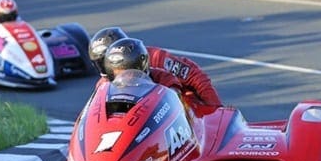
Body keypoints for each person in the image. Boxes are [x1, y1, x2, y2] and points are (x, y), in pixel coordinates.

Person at [88, 27, 222, 107]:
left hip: (178, 108)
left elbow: (195, 77)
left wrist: (216, 110)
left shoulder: (157, 58)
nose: (113, 66)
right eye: (101, 63)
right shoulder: (103, 83)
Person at [103, 38, 183, 92]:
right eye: (116, 71)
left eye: (124, 71)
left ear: (139, 67)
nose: (121, 76)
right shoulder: (104, 84)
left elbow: (175, 102)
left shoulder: (163, 78)